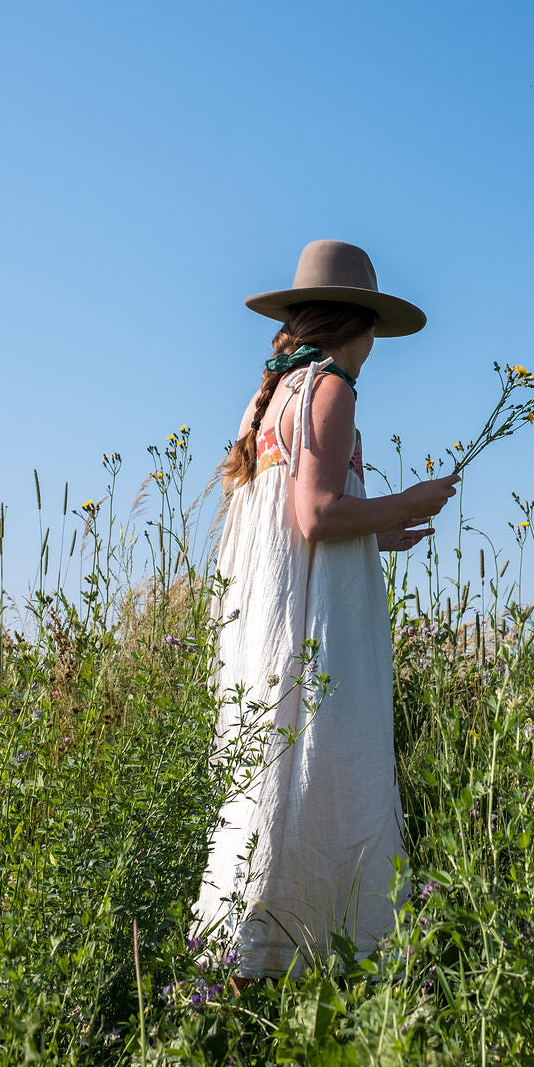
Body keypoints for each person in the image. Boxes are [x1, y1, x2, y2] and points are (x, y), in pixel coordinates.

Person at [193, 239, 459, 984]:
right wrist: (410, 499)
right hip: (316, 623)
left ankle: (245, 963)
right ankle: (331, 959)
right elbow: (313, 516)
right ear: (359, 323)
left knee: (276, 776)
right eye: (373, 328)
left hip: (269, 615)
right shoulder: (332, 385)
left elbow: (290, 517)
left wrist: (378, 527)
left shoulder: (267, 396)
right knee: (329, 766)